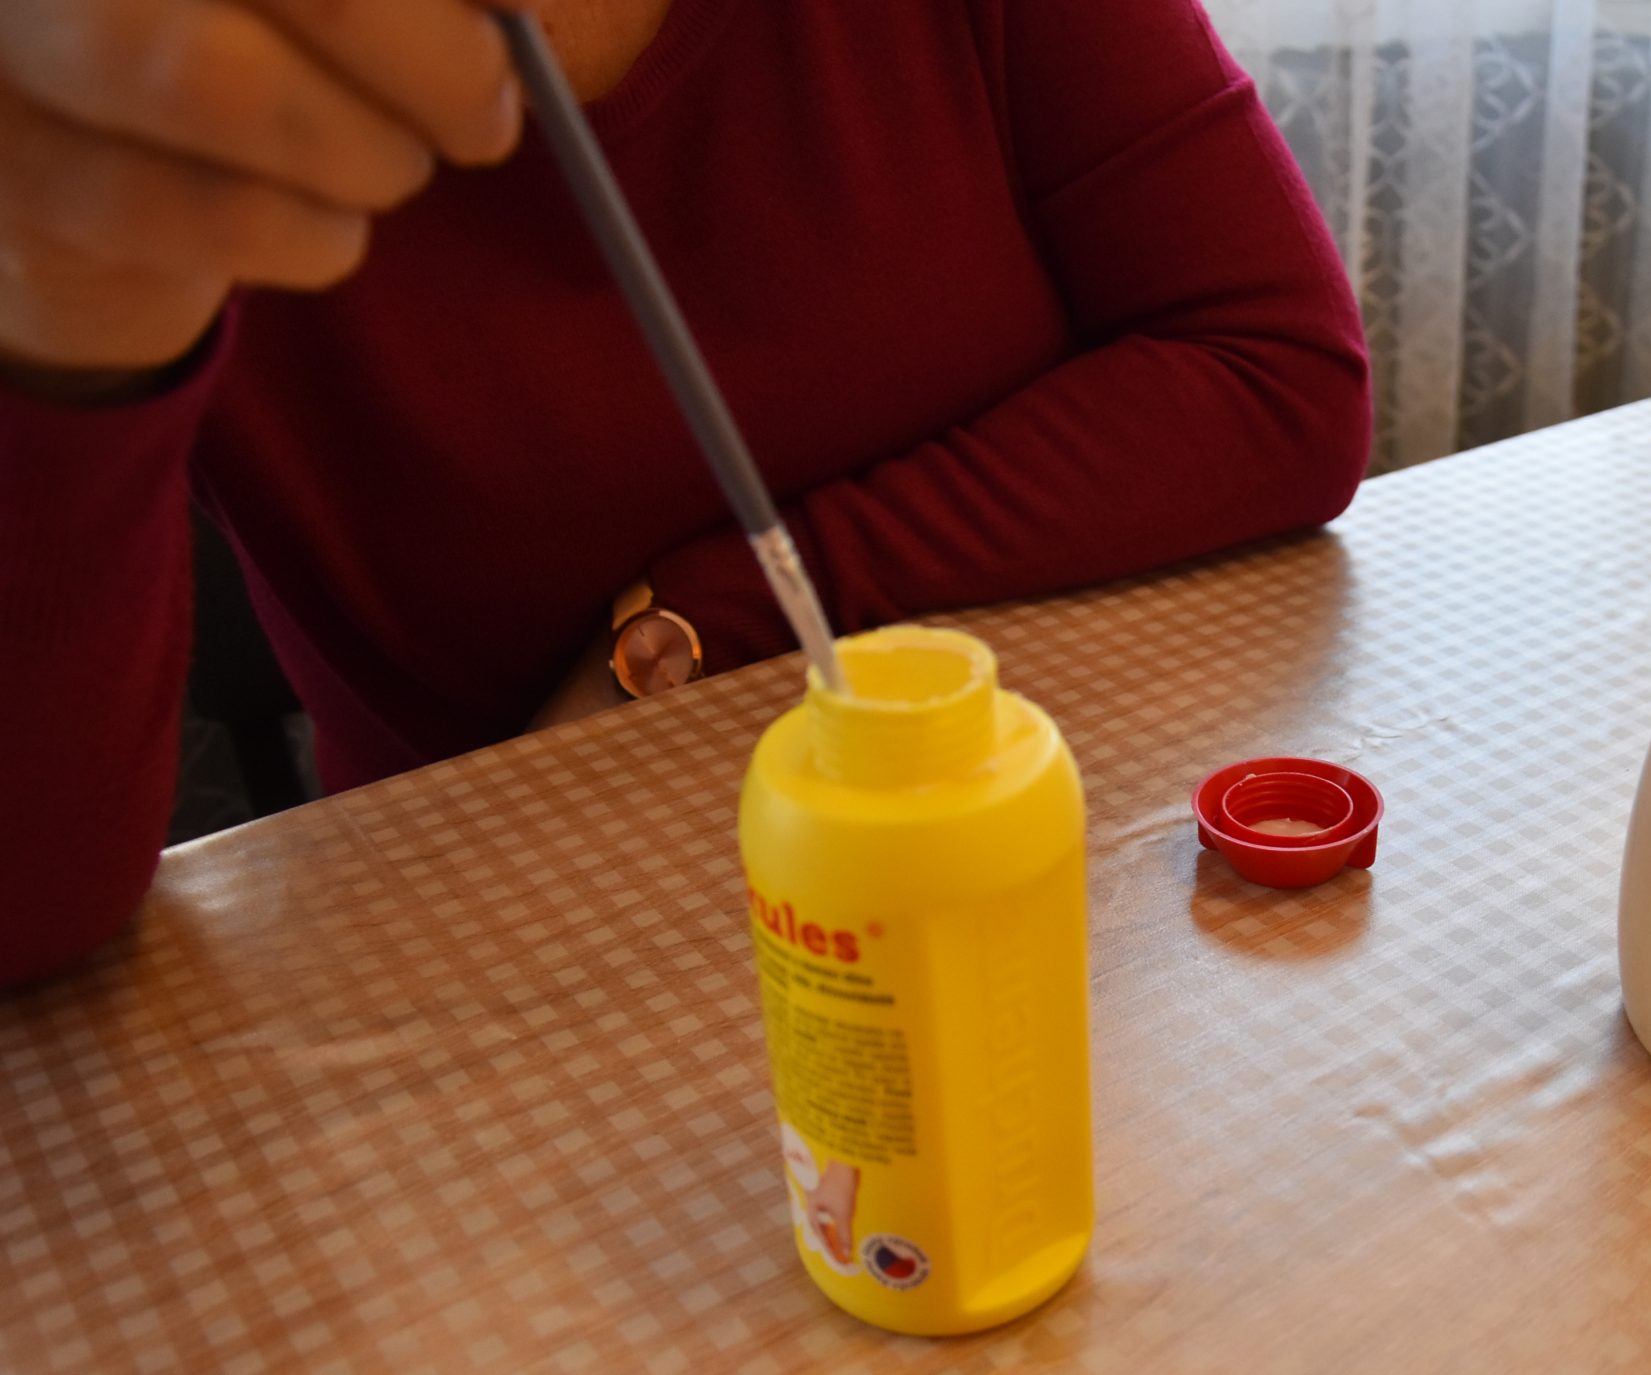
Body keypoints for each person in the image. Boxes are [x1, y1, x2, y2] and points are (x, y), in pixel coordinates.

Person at [0, 0, 1371, 986]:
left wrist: (716, 611)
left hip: (1040, 896)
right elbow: (29, 916)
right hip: (498, 977)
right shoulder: (137, 87)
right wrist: (66, 317)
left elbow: (1276, 374)